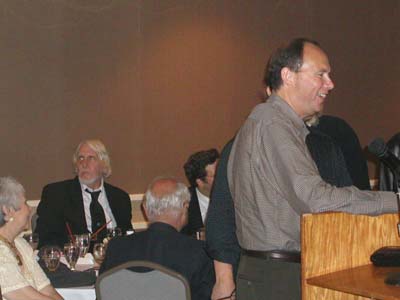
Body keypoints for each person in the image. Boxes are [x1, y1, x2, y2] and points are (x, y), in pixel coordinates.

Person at [227, 38, 397, 299]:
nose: (330, 84)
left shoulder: (270, 122)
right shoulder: (273, 125)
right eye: (321, 74)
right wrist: (393, 201)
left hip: (272, 272)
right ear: (288, 76)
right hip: (277, 277)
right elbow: (315, 198)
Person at [100, 177, 215, 300]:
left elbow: (104, 292)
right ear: (185, 207)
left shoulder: (116, 247)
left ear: (145, 209)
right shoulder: (198, 251)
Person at [35, 139, 132, 248]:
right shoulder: (56, 195)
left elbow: (129, 239)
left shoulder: (120, 198)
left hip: (115, 262)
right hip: (74, 262)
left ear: (104, 165)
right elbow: (45, 239)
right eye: (81, 158)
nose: (84, 164)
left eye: (91, 158)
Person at [0, 177, 63, 300]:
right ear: (8, 211)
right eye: (25, 203)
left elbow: (48, 290)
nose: (29, 209)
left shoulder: (20, 244)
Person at [181, 149, 219, 235]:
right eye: (216, 175)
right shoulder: (183, 203)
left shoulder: (235, 197)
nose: (222, 177)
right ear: (200, 182)